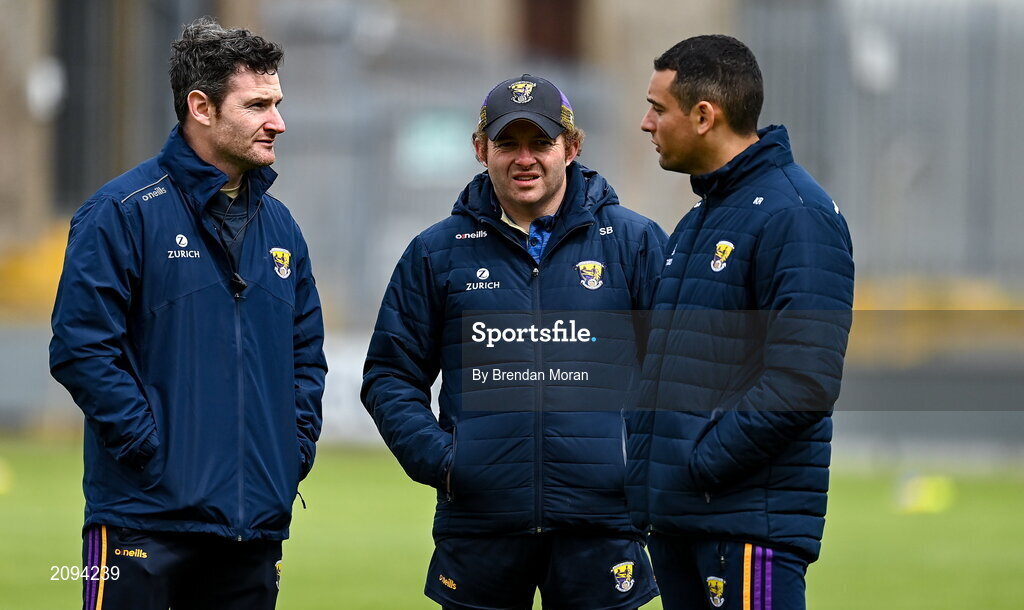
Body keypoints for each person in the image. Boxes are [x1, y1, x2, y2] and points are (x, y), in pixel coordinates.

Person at [49, 17, 326, 610]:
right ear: (201, 107)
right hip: (142, 520)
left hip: (251, 528)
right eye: (257, 105)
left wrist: (291, 448)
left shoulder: (283, 230)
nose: (278, 121)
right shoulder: (120, 211)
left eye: (276, 103)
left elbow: (306, 359)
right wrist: (151, 450)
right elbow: (81, 348)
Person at [362, 74, 665, 609]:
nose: (524, 158)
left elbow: (680, 371)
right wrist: (447, 462)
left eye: (541, 143)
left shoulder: (634, 243)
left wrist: (633, 462)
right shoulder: (437, 253)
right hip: (480, 527)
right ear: (481, 150)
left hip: (603, 526)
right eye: (507, 143)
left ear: (571, 148)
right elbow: (390, 376)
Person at [625, 35, 855, 610]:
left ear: (704, 115)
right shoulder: (703, 218)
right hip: (685, 520)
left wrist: (701, 461)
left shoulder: (794, 214)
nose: (646, 123)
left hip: (744, 527)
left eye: (657, 108)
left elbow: (804, 380)